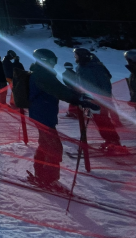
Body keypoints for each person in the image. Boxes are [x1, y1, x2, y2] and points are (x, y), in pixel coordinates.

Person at [29, 48, 97, 189]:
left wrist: (79, 96)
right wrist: (77, 100)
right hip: (43, 115)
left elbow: (60, 88)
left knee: (45, 145)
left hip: (42, 114)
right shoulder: (42, 75)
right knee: (54, 148)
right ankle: (48, 179)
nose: (54, 63)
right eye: (52, 61)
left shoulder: (43, 72)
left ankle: (41, 174)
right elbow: (58, 90)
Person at [73, 48, 125, 153]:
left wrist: (104, 99)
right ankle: (108, 140)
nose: (75, 57)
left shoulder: (95, 67)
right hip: (89, 99)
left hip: (99, 100)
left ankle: (114, 141)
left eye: (76, 55)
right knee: (98, 121)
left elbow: (105, 84)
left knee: (104, 120)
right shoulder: (80, 67)